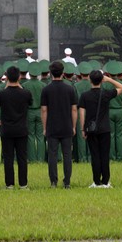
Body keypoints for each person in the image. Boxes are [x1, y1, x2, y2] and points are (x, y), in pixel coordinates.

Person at [79, 68, 122, 188]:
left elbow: (82, 113)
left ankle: (96, 181)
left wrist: (83, 129)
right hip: (105, 128)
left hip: (91, 129)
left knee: (94, 155)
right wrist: (109, 79)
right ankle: (105, 181)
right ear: (102, 80)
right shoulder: (106, 93)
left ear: (90, 79)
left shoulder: (85, 95)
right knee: (105, 155)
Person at [40, 60, 77, 189]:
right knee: (67, 155)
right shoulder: (70, 89)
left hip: (52, 126)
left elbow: (44, 110)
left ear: (50, 73)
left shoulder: (46, 90)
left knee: (52, 155)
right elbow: (74, 109)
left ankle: (53, 182)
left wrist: (44, 127)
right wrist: (73, 126)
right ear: (63, 73)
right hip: (66, 125)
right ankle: (67, 182)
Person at [0, 65, 31, 189]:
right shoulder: (26, 93)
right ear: (19, 77)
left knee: (8, 158)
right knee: (22, 158)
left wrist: (7, 85)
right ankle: (23, 184)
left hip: (7, 130)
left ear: (7, 77)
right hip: (22, 129)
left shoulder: (1, 94)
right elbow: (30, 103)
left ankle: (9, 184)